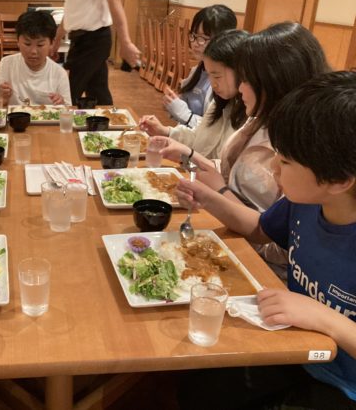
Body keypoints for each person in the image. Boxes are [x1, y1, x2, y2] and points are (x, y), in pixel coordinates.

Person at [177, 71, 356, 410]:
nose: (274, 167)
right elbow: (260, 228)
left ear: (339, 180)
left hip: (344, 385)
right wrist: (207, 197)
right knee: (199, 386)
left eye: (285, 160)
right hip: (295, 347)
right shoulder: (306, 201)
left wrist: (325, 317)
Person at [151, 22, 330, 279]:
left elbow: (279, 244)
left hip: (259, 264)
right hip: (230, 232)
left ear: (274, 82)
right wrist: (188, 155)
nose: (241, 88)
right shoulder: (259, 119)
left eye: (246, 79)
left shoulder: (301, 149)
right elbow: (229, 173)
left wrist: (220, 192)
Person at [139, 29, 248, 159]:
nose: (213, 84)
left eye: (217, 76)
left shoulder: (251, 116)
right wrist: (164, 131)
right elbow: (198, 137)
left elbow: (227, 168)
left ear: (241, 72)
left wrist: (191, 155)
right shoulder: (220, 102)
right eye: (209, 75)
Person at [51, 0, 141, 106]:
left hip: (92, 40)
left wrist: (126, 42)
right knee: (98, 93)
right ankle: (107, 119)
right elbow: (72, 10)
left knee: (69, 95)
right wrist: (56, 41)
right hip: (83, 39)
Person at [162, 4, 237, 128]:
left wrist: (183, 113)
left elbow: (215, 131)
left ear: (223, 39)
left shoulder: (226, 81)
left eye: (203, 38)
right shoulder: (198, 70)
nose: (196, 43)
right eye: (193, 36)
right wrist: (173, 104)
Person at [0, 11, 71, 106]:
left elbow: (68, 109)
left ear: (51, 43)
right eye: (27, 44)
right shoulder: (7, 64)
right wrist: (3, 97)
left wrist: (61, 104)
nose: (33, 51)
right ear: (17, 41)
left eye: (40, 45)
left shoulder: (59, 73)